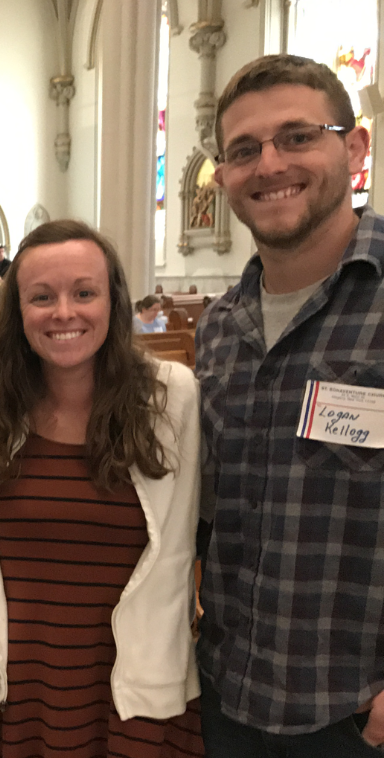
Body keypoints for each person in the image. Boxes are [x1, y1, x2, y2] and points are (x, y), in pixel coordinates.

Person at [198, 53, 384, 756]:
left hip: (354, 716)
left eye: (297, 136)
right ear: (223, 176)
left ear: (355, 145)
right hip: (229, 696)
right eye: (244, 150)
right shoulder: (221, 326)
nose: (269, 163)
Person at [0, 220, 204, 757]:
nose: (64, 312)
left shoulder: (170, 398)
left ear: (113, 302)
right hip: (22, 682)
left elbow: (201, 531)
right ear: (18, 311)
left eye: (84, 293)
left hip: (134, 686)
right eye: (41, 297)